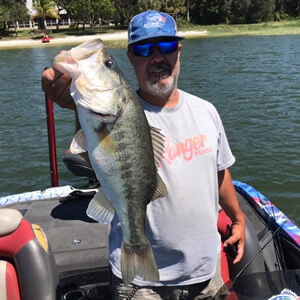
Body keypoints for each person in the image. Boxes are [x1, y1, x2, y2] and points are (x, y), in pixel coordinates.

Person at [42, 10, 245, 300]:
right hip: (141, 284)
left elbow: (219, 171)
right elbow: (94, 156)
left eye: (165, 47)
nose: (157, 57)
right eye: (144, 49)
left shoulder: (207, 111)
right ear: (131, 57)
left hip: (206, 271)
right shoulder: (107, 112)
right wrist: (77, 107)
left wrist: (237, 218)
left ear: (178, 51)